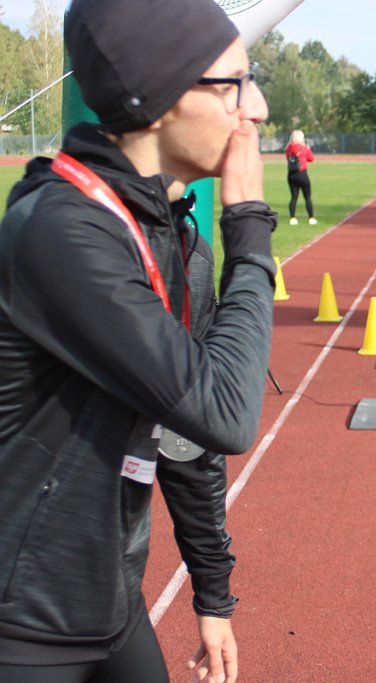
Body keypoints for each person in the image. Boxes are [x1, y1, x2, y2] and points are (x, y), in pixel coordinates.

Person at [0, 1, 277, 681]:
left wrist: (213, 590)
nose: (258, 108)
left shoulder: (176, 240)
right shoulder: (62, 232)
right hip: (23, 622)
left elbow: (186, 434)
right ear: (155, 102)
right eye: (233, 84)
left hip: (109, 604)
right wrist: (248, 226)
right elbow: (227, 412)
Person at [285, 129, 316, 225]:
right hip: (302, 174)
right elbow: (311, 159)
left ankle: (292, 218)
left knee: (294, 197)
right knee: (307, 197)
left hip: (291, 174)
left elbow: (288, 158)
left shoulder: (288, 149)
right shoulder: (304, 148)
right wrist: (308, 149)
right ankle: (311, 218)